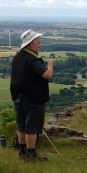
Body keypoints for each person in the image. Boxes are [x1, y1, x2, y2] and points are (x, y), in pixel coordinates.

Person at [10, 29, 53, 162]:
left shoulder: (18, 56)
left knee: (21, 126)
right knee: (32, 128)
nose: (40, 43)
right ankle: (31, 155)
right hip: (33, 98)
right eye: (38, 41)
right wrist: (50, 65)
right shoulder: (32, 59)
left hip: (18, 96)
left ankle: (22, 151)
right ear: (31, 44)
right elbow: (47, 75)